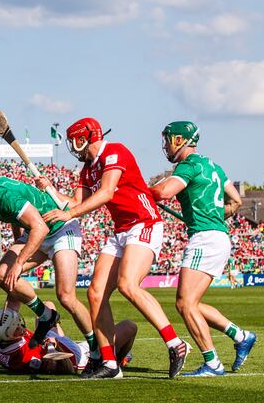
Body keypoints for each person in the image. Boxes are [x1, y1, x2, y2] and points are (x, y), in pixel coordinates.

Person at [39, 117, 187, 379]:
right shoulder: (87, 170)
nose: (74, 148)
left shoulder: (115, 151)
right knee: (95, 294)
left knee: (128, 284)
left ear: (83, 138)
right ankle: (109, 363)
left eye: (74, 141)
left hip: (144, 222)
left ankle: (175, 343)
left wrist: (70, 211)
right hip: (121, 231)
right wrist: (49, 189)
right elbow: (72, 204)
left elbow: (106, 193)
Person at [0, 162, 94, 352]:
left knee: (66, 296)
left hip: (60, 229)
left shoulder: (2, 194)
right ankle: (46, 315)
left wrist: (19, 261)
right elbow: (13, 216)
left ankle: (98, 349)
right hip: (37, 229)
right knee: (1, 274)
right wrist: (19, 242)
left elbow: (40, 228)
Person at [149, 121, 256, 376]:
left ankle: (212, 363)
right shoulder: (213, 165)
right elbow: (237, 200)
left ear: (179, 140)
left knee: (184, 304)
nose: (165, 145)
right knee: (192, 303)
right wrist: (213, 215)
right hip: (218, 236)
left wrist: (139, 189)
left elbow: (163, 192)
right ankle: (241, 336)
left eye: (168, 139)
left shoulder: (188, 166)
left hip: (205, 239)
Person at [0, 301, 137, 375]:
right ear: (12, 334)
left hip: (52, 339)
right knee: (130, 326)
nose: (21, 326)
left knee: (47, 305)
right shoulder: (30, 357)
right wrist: (55, 346)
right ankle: (115, 361)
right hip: (78, 356)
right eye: (17, 326)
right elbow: (67, 369)